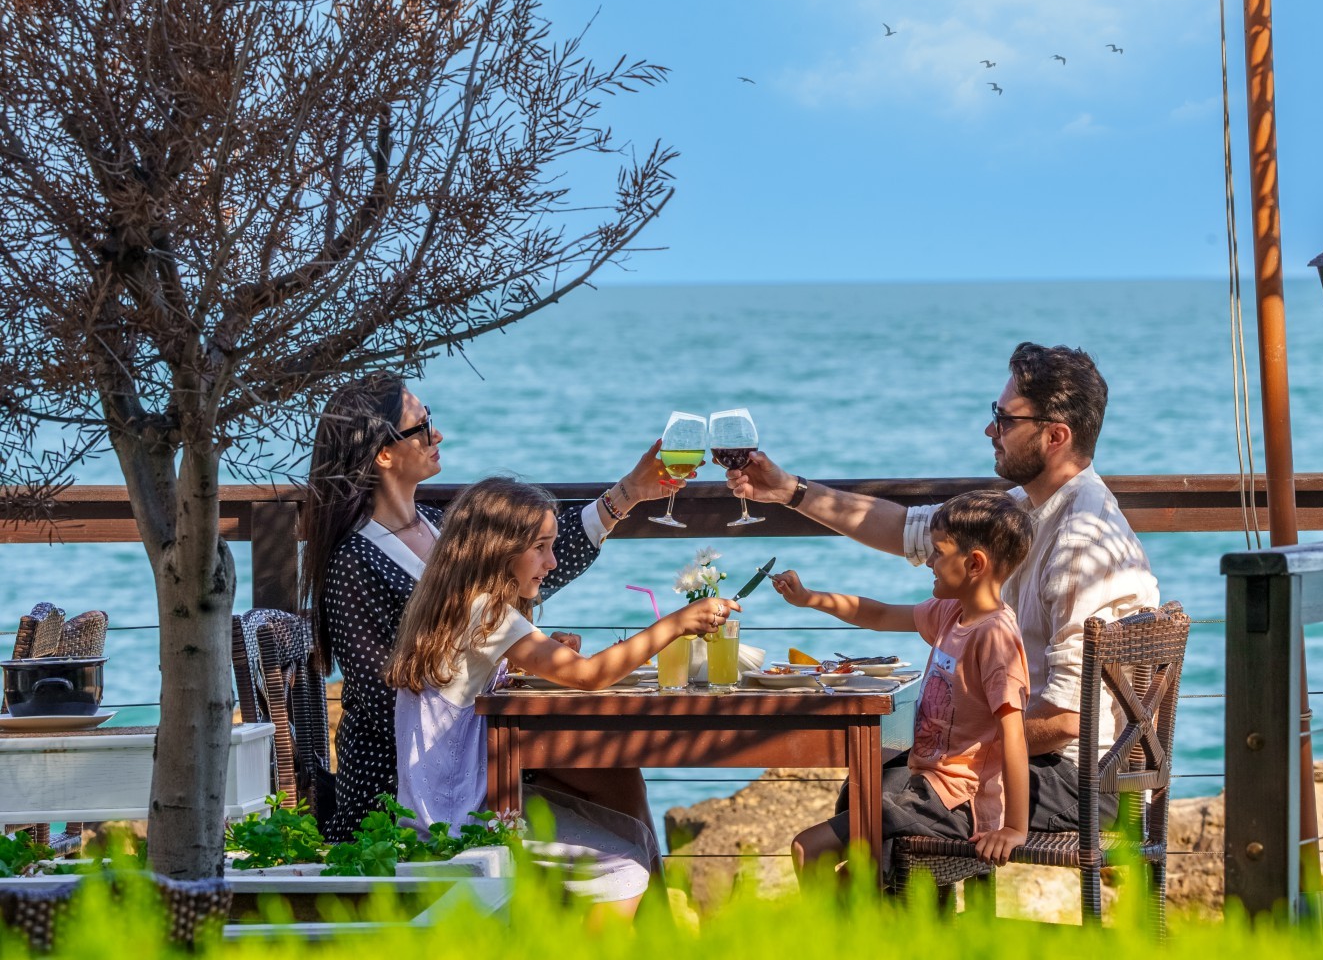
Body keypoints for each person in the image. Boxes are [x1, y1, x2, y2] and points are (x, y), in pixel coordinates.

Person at [724, 342, 1159, 830]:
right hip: (1035, 755)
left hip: (1082, 782)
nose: (990, 430)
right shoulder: (1023, 509)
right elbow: (905, 528)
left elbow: (1065, 718)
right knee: (874, 780)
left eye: (1005, 419)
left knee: (891, 797)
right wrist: (789, 490)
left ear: (1055, 436)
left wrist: (952, 747)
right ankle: (900, 880)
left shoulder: (1082, 543)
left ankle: (883, 877)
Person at [302, 372, 680, 841]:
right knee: (605, 774)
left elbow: (531, 570)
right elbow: (387, 698)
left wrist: (629, 492)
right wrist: (507, 701)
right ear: (383, 454)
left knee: (616, 772)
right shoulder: (353, 562)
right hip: (404, 784)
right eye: (422, 427)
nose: (437, 435)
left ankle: (645, 889)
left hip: (482, 746)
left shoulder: (440, 527)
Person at [384, 477, 740, 920]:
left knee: (631, 824)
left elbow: (471, 678)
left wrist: (541, 653)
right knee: (625, 867)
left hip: (445, 803)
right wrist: (676, 624)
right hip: (464, 817)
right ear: (497, 549)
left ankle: (650, 942)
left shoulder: (455, 604)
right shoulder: (488, 613)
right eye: (541, 547)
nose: (552, 562)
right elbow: (590, 676)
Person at [772, 490, 1034, 876]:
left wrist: (1013, 828)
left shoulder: (994, 636)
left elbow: (1013, 734)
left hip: (957, 803)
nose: (928, 562)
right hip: (926, 785)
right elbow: (879, 614)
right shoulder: (952, 613)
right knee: (851, 845)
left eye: (938, 552)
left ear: (974, 563)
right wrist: (811, 598)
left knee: (807, 847)